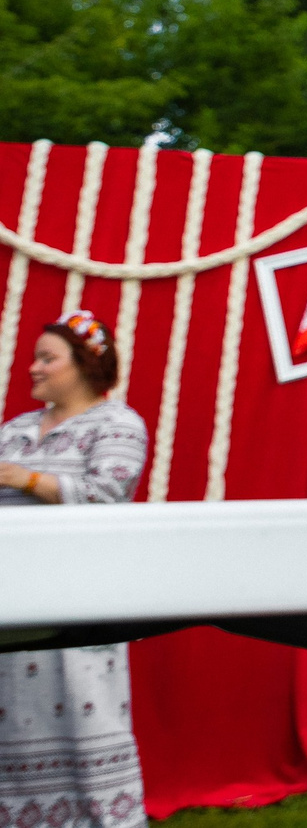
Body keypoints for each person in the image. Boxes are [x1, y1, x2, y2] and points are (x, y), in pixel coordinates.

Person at [0, 311, 150, 828]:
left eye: (48, 358)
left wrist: (25, 479)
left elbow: (106, 495)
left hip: (80, 597)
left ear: (85, 365)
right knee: (13, 715)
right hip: (13, 598)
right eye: (34, 357)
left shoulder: (118, 425)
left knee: (86, 709)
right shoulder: (15, 430)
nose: (34, 368)